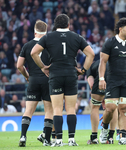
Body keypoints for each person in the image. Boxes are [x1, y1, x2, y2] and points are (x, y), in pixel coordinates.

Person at [31, 14, 94, 147]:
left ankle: (58, 140)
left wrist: (43, 67)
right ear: (68, 24)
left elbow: (33, 53)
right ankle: (71, 140)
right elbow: (91, 54)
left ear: (55, 24)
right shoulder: (76, 37)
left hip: (55, 75)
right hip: (71, 74)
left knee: (57, 109)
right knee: (71, 108)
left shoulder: (48, 36)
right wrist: (82, 70)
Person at [98, 18, 126, 145]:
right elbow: (103, 62)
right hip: (113, 81)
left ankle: (122, 137)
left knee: (124, 108)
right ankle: (104, 129)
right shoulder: (110, 43)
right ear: (120, 29)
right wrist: (101, 78)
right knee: (110, 108)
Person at [17, 20, 53, 147]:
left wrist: (27, 76)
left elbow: (19, 65)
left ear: (34, 31)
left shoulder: (27, 46)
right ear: (46, 31)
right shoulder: (50, 45)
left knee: (28, 111)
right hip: (47, 80)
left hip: (33, 80)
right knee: (49, 111)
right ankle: (47, 140)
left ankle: (22, 136)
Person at [86, 60, 118, 144]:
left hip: (101, 75)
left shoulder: (95, 64)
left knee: (95, 106)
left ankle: (94, 137)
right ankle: (110, 137)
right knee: (113, 107)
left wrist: (89, 76)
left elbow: (91, 83)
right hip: (116, 74)